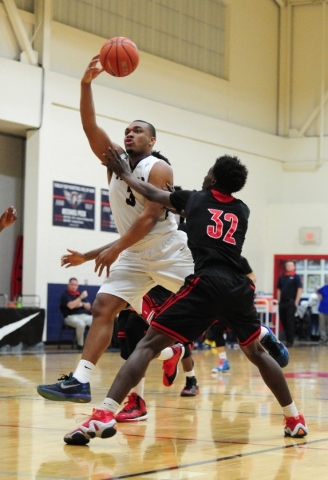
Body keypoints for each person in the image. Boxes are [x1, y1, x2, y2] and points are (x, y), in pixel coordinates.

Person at [62, 153, 307, 445]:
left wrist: (125, 173)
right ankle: (294, 418)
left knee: (147, 345)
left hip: (205, 283)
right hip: (238, 287)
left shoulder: (196, 199)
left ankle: (104, 413)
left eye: (208, 172)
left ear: (213, 178)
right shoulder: (243, 210)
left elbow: (153, 193)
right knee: (256, 354)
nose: (205, 175)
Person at [37, 55, 195, 412]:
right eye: (127, 129)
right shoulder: (114, 163)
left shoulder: (159, 167)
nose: (130, 133)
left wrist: (109, 251)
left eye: (138, 130)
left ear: (152, 140)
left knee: (213, 303)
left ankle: (258, 334)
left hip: (169, 251)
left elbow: (152, 218)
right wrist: (85, 84)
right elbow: (90, 126)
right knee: (104, 307)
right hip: (136, 255)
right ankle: (80, 381)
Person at [211, 256, 289, 373]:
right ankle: (223, 362)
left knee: (243, 330)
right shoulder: (213, 261)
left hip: (238, 297)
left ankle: (263, 333)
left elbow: (253, 277)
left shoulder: (240, 260)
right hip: (220, 299)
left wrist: (235, 281)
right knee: (216, 329)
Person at [60, 278, 92, 350]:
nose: (73, 286)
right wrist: (80, 299)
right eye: (72, 285)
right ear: (68, 285)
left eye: (75, 285)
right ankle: (80, 345)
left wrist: (80, 303)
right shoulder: (65, 295)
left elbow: (88, 306)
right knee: (81, 324)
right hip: (70, 317)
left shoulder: (79, 294)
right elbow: (71, 306)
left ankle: (94, 344)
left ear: (77, 286)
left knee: (96, 321)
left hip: (83, 315)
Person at [277, 261, 303, 347]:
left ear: (294, 267)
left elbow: (299, 289)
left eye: (291, 265)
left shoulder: (296, 277)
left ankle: (290, 341)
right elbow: (279, 289)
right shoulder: (282, 277)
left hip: (291, 302)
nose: (289, 266)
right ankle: (287, 339)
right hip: (282, 303)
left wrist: (296, 302)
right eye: (287, 265)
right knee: (283, 320)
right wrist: (279, 301)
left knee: (290, 322)